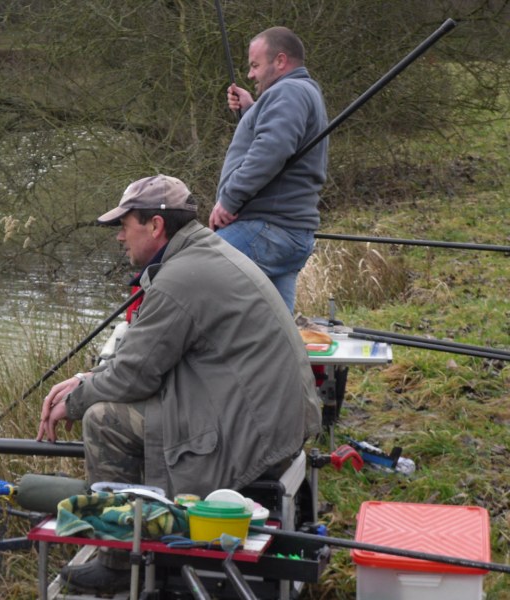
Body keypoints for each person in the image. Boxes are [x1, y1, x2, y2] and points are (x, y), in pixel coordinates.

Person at [37, 174, 321, 593]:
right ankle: (142, 530)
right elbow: (143, 355)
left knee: (102, 420)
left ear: (155, 226)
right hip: (270, 421)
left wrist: (76, 401)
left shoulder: (180, 279)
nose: (120, 237)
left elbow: (135, 374)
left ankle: (119, 561)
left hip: (253, 437)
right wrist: (86, 377)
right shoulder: (203, 254)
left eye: (124, 225)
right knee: (109, 401)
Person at [210, 26, 329, 314]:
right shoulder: (297, 93)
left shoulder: (288, 92)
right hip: (289, 232)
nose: (250, 75)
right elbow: (278, 139)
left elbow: (271, 150)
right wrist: (252, 110)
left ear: (280, 61)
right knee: (277, 330)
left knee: (189, 273)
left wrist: (229, 200)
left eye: (255, 65)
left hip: (267, 229)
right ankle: (280, 360)